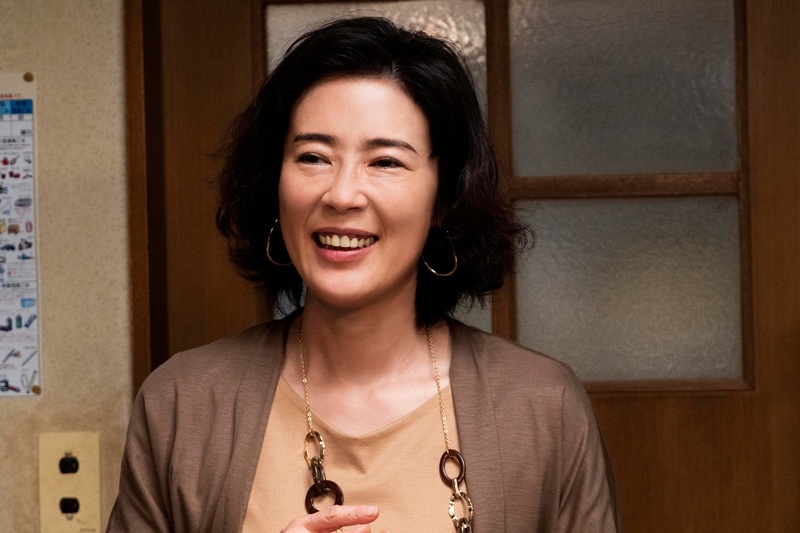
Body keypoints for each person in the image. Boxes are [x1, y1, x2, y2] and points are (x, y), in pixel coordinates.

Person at [107, 16, 618, 533]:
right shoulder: (182, 404)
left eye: (385, 162)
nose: (342, 194)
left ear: (444, 198)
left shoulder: (542, 406)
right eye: (313, 157)